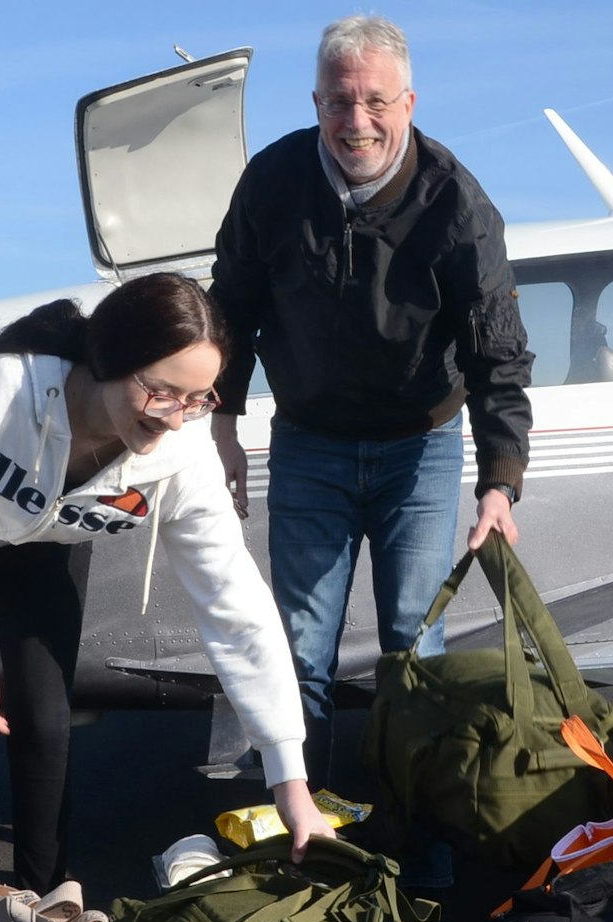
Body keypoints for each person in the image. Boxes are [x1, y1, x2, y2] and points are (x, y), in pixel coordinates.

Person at [0, 272, 335, 922]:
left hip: (41, 539)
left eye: (195, 398)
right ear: (107, 360)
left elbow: (236, 608)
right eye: (159, 390)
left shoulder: (182, 455)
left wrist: (289, 780)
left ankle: (39, 916)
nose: (171, 415)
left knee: (45, 716)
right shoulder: (1, 391)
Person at [208, 14, 534, 787]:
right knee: (300, 649)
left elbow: (498, 348)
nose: (357, 122)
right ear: (316, 101)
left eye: (375, 102)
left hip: (418, 447)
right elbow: (232, 309)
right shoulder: (271, 183)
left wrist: (500, 479)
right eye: (339, 103)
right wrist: (220, 421)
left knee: (412, 648)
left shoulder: (457, 202)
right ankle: (301, 835)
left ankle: (418, 844)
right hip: (309, 443)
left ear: (409, 103)